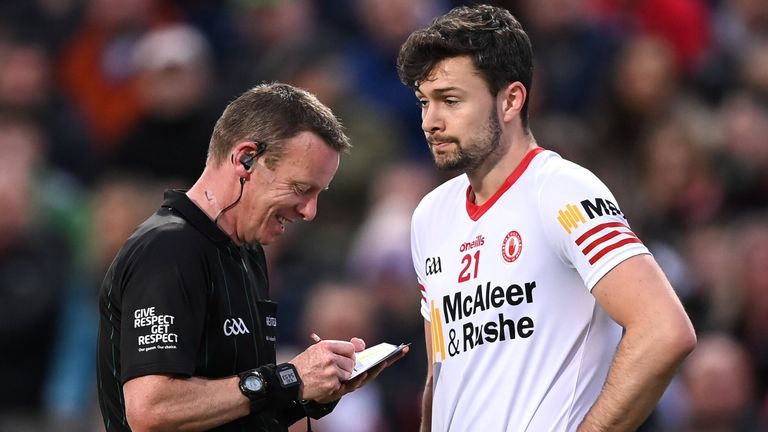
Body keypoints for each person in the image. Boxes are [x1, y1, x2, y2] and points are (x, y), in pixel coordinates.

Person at [397, 5, 696, 431]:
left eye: (450, 100)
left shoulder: (561, 190)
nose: (431, 122)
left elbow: (664, 330)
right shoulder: (429, 215)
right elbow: (439, 374)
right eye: (424, 102)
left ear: (511, 100)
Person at [96, 82, 407, 432]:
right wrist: (288, 377)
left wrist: (311, 390)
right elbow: (151, 410)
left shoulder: (248, 252)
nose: (310, 211)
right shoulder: (168, 250)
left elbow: (239, 406)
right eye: (301, 189)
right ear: (246, 159)